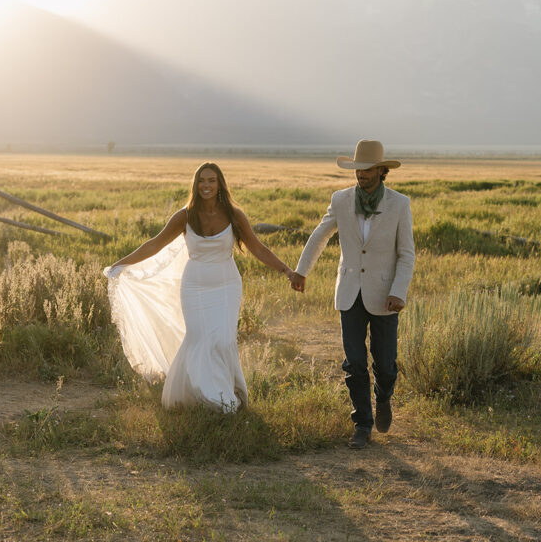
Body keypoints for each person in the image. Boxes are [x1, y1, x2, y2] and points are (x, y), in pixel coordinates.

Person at [105, 161, 301, 411]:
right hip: (195, 285)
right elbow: (155, 244)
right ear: (195, 185)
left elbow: (258, 248)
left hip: (227, 284)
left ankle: (223, 394)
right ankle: (204, 395)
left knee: (222, 339)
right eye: (201, 181)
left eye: (211, 180)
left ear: (220, 184)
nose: (206, 185)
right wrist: (120, 264)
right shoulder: (185, 216)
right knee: (199, 338)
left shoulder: (234, 215)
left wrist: (287, 270)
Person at [290, 140, 415, 448]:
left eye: (368, 170)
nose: (362, 175)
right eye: (358, 170)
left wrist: (399, 291)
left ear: (382, 171)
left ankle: (383, 397)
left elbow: (406, 254)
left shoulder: (399, 204)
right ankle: (362, 424)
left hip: (385, 294)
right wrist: (301, 270)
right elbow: (321, 234)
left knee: (385, 364)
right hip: (349, 292)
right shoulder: (341, 200)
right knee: (354, 362)